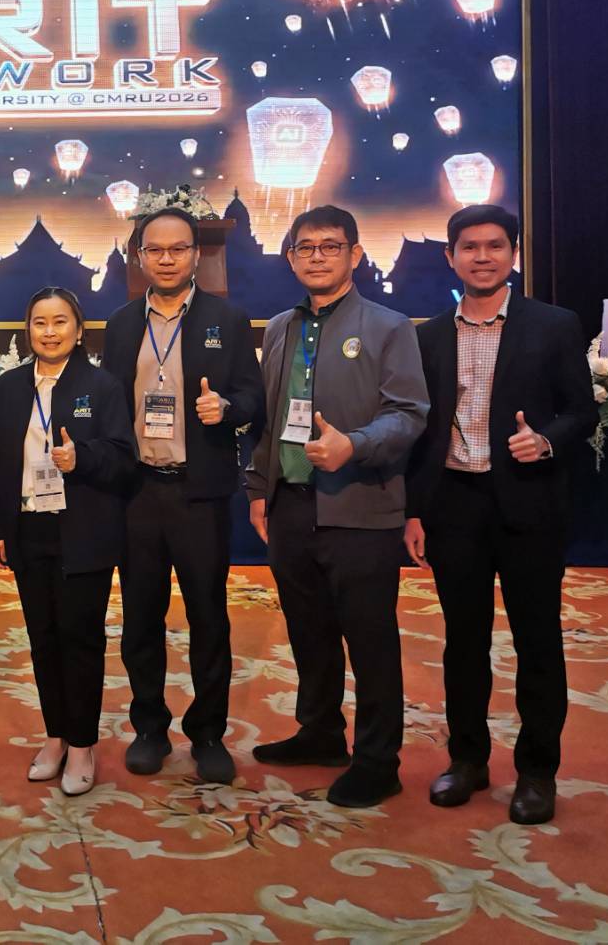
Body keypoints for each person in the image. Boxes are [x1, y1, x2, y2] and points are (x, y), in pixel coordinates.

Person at [404, 205, 597, 824]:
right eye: (469, 247)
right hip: (454, 504)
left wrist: (546, 440)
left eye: (494, 245)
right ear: (450, 257)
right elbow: (420, 433)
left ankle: (537, 772)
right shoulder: (428, 335)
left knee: (537, 641)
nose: (481, 257)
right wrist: (414, 511)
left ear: (513, 253)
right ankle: (467, 760)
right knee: (463, 643)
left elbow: (582, 412)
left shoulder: (554, 325)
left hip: (529, 502)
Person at [243, 205, 428, 808]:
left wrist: (356, 445)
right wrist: (258, 488)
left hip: (360, 505)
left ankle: (378, 761)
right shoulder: (279, 328)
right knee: (309, 631)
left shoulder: (389, 326)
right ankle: (320, 733)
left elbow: (409, 415)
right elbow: (271, 418)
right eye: (305, 247)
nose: (317, 256)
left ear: (355, 254)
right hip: (290, 506)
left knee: (370, 641)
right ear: (290, 257)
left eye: (330, 246)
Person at [102, 207, 264, 784]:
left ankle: (208, 734)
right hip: (138, 492)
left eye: (178, 249)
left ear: (197, 255)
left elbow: (254, 396)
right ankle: (150, 727)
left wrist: (228, 408)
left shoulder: (228, 319)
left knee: (208, 618)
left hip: (199, 494)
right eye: (155, 250)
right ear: (139, 257)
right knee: (141, 618)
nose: (166, 259)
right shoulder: (122, 323)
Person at [0, 287, 132, 795]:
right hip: (28, 528)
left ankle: (83, 744)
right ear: (27, 330)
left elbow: (123, 458)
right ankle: (56, 735)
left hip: (83, 531)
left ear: (79, 329)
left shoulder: (101, 386)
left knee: (80, 638)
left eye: (60, 322)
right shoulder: (8, 388)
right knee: (42, 638)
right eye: (40, 322)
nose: (49, 332)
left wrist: (81, 458)